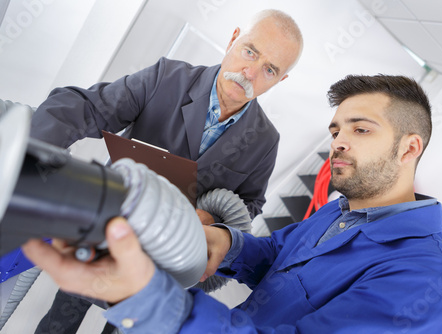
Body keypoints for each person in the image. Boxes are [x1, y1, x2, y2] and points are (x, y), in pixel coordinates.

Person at [23, 74, 442, 333]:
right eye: (336, 131)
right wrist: (226, 243)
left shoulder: (427, 282)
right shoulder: (343, 212)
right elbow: (277, 254)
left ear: (410, 148)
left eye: (361, 129)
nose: (339, 143)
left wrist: (148, 298)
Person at [28, 9, 303, 333]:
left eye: (269, 69)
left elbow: (250, 204)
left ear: (280, 80)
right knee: (63, 316)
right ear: (233, 39)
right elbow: (90, 107)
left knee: (128, 325)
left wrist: (212, 222)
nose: (250, 72)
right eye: (250, 51)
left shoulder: (265, 141)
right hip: (108, 225)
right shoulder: (167, 78)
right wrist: (32, 150)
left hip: (165, 255)